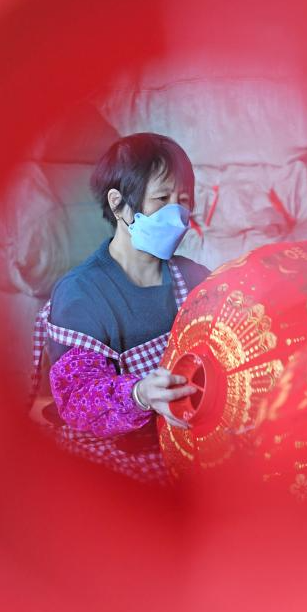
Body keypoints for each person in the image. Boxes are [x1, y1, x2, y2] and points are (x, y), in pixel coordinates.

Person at [31, 133, 211, 483]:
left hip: (187, 444)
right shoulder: (81, 294)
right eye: (162, 198)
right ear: (118, 205)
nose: (176, 215)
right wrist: (140, 394)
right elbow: (78, 398)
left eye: (183, 201)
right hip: (116, 454)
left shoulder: (195, 278)